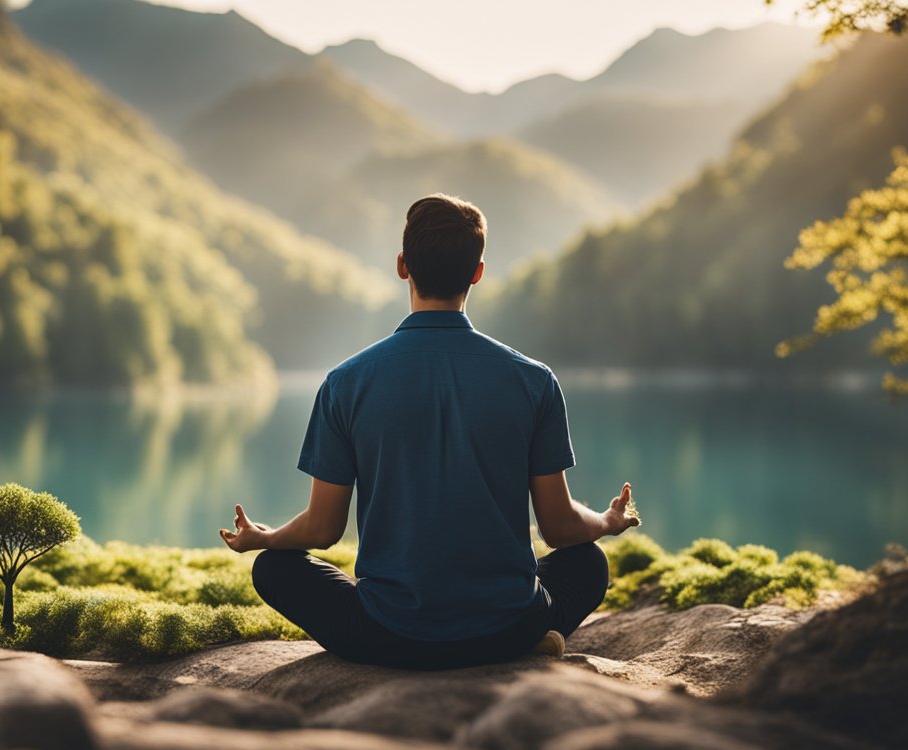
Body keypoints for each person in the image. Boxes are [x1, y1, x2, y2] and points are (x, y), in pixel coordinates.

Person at [219, 193, 639, 670]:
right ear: (478, 272)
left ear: (402, 265)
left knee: (274, 569)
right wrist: (607, 522)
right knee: (588, 563)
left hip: (389, 635)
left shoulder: (345, 383)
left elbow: (322, 529)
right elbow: (561, 529)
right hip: (508, 627)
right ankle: (525, 641)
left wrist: (267, 537)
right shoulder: (533, 380)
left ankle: (418, 645)